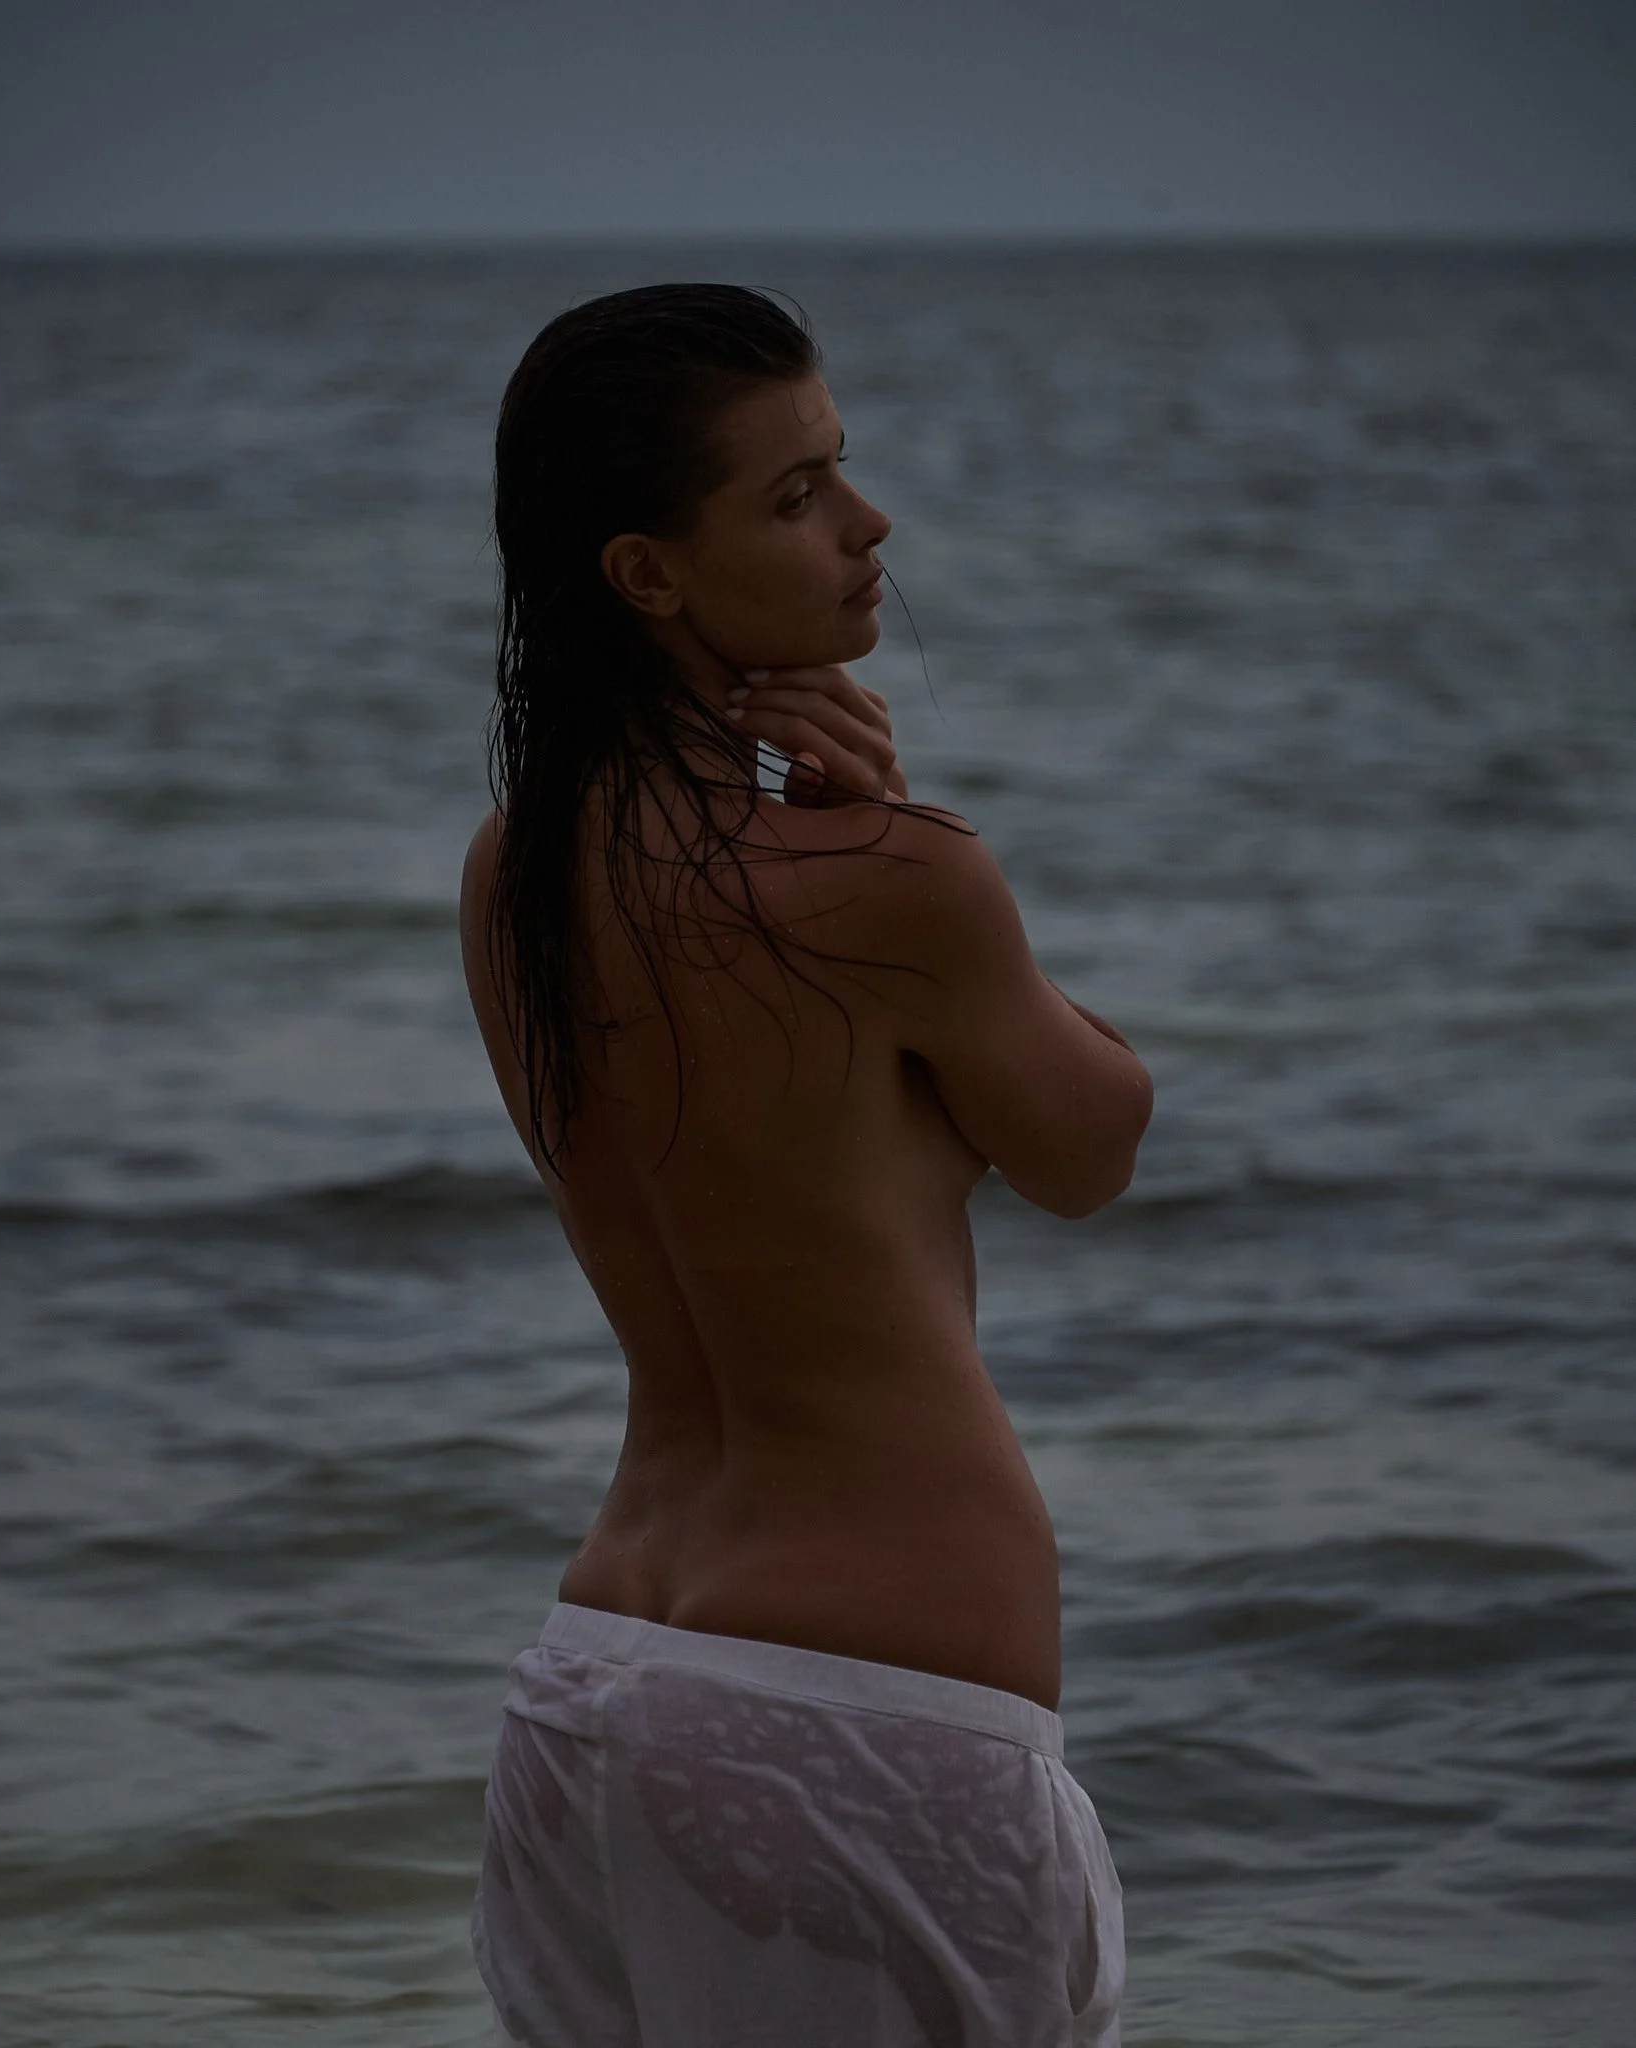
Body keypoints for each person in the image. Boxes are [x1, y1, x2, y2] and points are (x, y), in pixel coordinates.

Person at [460, 283, 1152, 2048]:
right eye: (794, 496)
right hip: (860, 1716)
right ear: (646, 574)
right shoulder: (893, 880)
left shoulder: (512, 871)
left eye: (839, 468)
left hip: (595, 1688)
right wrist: (886, 826)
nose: (867, 522)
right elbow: (1089, 1145)